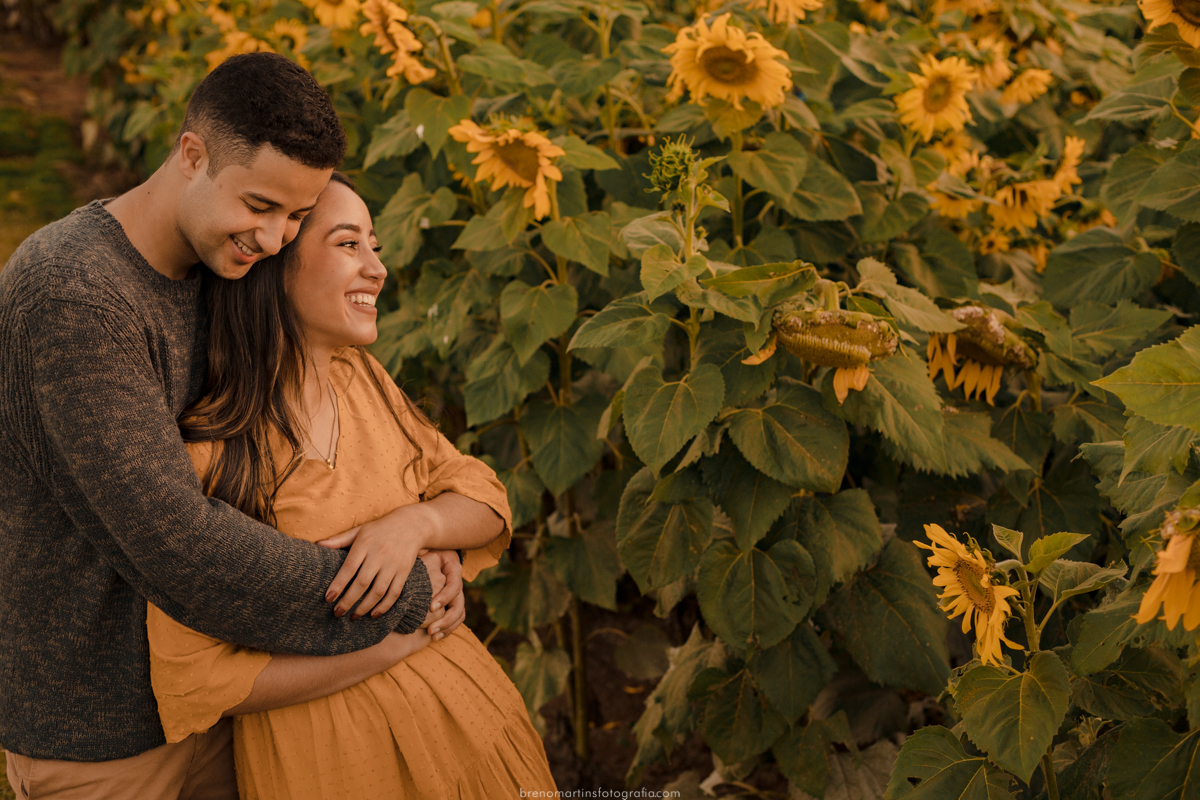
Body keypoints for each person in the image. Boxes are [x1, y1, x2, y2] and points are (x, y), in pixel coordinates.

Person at [0, 53, 461, 799]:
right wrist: (400, 595)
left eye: (296, 217)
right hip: (106, 735)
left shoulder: (225, 268)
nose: (276, 238)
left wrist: (417, 527)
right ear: (192, 154)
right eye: (259, 205)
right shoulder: (74, 297)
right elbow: (180, 545)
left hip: (234, 700)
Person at [146, 172, 558, 799]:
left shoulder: (362, 380)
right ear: (273, 266)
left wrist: (415, 526)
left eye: (376, 246)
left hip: (477, 737)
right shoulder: (212, 454)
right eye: (348, 245)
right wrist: (400, 632)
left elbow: (484, 496)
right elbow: (197, 680)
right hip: (336, 765)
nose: (377, 269)